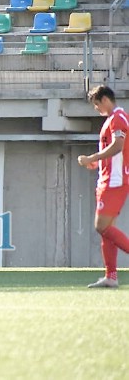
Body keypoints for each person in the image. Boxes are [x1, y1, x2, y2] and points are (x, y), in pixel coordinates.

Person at [78, 85, 129, 288]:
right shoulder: (111, 119)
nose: (96, 109)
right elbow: (113, 151)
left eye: (97, 104)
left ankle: (111, 275)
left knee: (101, 226)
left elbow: (118, 145)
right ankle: (111, 276)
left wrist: (93, 157)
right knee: (107, 229)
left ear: (105, 100)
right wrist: (97, 163)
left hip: (115, 181)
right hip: (108, 179)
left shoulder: (119, 117)